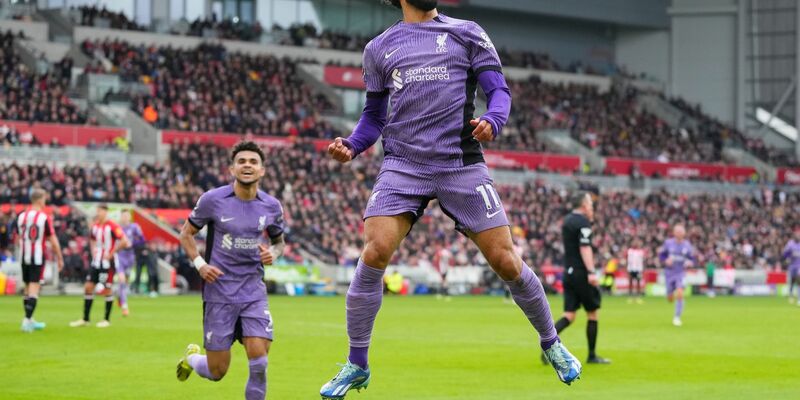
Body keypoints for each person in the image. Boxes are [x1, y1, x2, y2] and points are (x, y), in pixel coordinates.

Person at [320, 1, 581, 398]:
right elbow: (373, 117)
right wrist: (352, 145)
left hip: (461, 163)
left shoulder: (467, 32)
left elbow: (498, 90)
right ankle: (357, 363)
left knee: (506, 260)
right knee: (374, 251)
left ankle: (552, 343)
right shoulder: (379, 48)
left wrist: (493, 120)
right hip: (403, 165)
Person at [175, 141, 286, 400]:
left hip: (253, 292)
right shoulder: (212, 200)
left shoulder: (271, 205)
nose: (247, 165)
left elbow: (279, 242)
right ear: (232, 169)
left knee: (259, 362)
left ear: (262, 170)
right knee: (217, 371)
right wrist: (200, 265)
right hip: (219, 292)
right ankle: (192, 359)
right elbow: (186, 234)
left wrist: (274, 253)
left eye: (253, 162)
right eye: (241, 161)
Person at [549, 191, 610, 365]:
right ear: (583, 205)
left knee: (569, 315)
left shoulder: (568, 220)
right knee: (592, 313)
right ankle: (592, 355)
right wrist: (591, 272)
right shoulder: (583, 222)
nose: (592, 207)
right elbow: (585, 247)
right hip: (581, 272)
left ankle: (547, 345)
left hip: (568, 272)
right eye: (590, 204)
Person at [70, 204, 130, 328]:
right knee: (88, 287)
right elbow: (92, 239)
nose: (98, 213)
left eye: (100, 211)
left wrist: (111, 253)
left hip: (107, 264)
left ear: (106, 212)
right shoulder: (95, 226)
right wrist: (93, 251)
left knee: (106, 289)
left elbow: (125, 241)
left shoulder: (112, 226)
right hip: (96, 262)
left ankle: (106, 320)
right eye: (97, 211)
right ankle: (85, 319)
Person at [16, 189, 64, 332]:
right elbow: (53, 239)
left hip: (24, 256)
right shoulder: (44, 217)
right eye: (44, 199)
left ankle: (30, 319)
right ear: (39, 200)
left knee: (27, 288)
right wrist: (59, 257)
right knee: (34, 287)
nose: (45, 202)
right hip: (36, 257)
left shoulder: (21, 216)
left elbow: (18, 237)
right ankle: (26, 321)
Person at [659, 224, 695, 327]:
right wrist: (666, 260)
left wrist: (690, 262)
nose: (679, 233)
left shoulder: (687, 245)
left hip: (681, 273)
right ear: (674, 233)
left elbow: (692, 258)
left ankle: (677, 317)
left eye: (681, 231)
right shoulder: (668, 243)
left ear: (684, 233)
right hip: (669, 273)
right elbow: (661, 255)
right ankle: (669, 293)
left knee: (680, 293)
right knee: (670, 298)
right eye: (677, 231)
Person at [117, 210, 145, 315]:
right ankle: (125, 307)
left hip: (130, 256)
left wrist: (132, 243)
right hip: (119, 255)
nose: (125, 218)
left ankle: (120, 296)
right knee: (121, 280)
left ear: (129, 217)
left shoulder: (134, 227)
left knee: (125, 281)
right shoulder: (117, 228)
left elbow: (142, 240)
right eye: (123, 216)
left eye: (127, 216)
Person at [782, 227, 800, 305]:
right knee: (792, 281)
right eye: (797, 235)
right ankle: (791, 294)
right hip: (792, 266)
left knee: (799, 280)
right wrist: (788, 258)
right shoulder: (790, 244)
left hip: (799, 266)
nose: (798, 236)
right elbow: (785, 254)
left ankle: (799, 299)